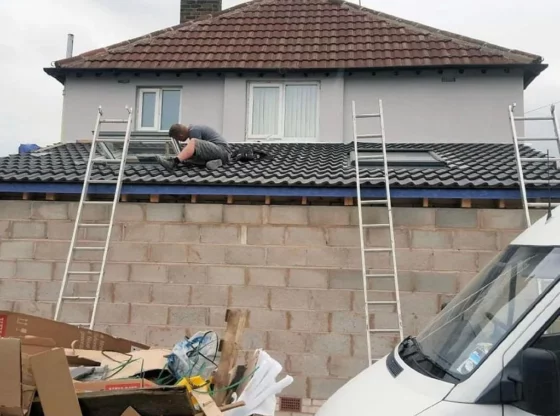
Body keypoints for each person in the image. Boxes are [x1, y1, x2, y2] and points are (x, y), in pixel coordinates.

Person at [156, 123, 231, 171]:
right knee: (189, 155)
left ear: (180, 136)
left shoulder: (194, 130)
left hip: (222, 151)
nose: (180, 141)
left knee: (194, 142)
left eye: (177, 139)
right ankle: (216, 162)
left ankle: (173, 163)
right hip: (221, 154)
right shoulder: (193, 130)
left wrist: (182, 158)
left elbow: (197, 151)